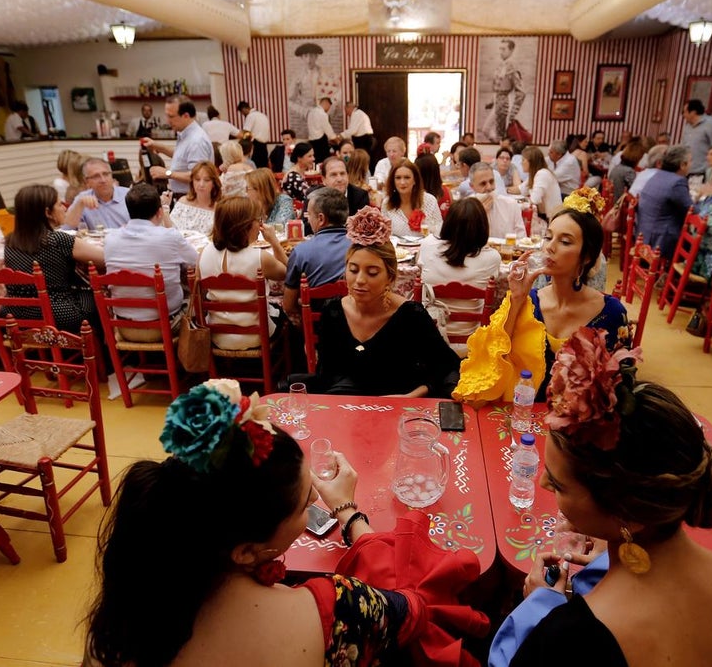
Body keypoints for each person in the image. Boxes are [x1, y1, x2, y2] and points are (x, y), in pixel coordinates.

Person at [86, 378, 486, 667]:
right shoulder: (337, 608)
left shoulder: (124, 616)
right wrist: (348, 512)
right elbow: (414, 603)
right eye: (302, 504)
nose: (315, 499)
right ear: (245, 551)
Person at [500, 329, 712, 667]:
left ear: (627, 513)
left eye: (559, 485)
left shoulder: (572, 639)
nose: (541, 485)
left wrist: (539, 607)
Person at [455, 192, 631, 405]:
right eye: (548, 237)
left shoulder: (611, 313)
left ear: (586, 256)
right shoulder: (528, 301)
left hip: (576, 425)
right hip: (522, 414)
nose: (549, 247)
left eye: (565, 241)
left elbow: (622, 389)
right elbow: (494, 362)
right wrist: (517, 298)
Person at [310, 207, 460, 396]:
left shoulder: (410, 316)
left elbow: (446, 368)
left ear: (390, 277)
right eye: (353, 270)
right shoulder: (333, 311)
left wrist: (410, 397)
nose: (360, 280)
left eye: (372, 272)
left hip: (397, 411)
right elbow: (326, 375)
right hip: (347, 412)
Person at [103, 182, 197, 348]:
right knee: (196, 298)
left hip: (124, 326)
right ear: (160, 212)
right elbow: (196, 263)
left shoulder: (110, 239)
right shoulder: (170, 237)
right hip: (166, 325)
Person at [3, 184, 104, 334]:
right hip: (58, 314)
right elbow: (103, 258)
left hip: (15, 313)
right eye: (59, 204)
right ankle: (98, 349)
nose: (64, 208)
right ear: (48, 212)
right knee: (95, 295)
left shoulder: (10, 241)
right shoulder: (59, 240)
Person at [197, 197, 288, 351]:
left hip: (217, 334)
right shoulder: (259, 257)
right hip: (257, 335)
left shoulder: (203, 253)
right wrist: (274, 242)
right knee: (284, 313)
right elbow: (288, 273)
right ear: (245, 226)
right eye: (257, 220)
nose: (259, 225)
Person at [418, 198, 502, 348]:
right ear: (483, 228)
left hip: (429, 340)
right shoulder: (491, 258)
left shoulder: (427, 245)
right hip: (471, 343)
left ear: (448, 223)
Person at [282, 187, 351, 326]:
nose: (308, 220)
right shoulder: (360, 246)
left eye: (309, 216)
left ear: (320, 219)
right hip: (358, 325)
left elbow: (288, 306)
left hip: (319, 329)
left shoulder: (301, 251)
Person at [144, 96, 215, 198]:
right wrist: (159, 147)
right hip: (185, 196)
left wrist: (167, 173)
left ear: (186, 116)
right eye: (166, 116)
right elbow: (183, 156)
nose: (167, 121)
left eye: (171, 116)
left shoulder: (197, 141)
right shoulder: (186, 134)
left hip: (192, 198)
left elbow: (198, 176)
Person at [635, 145, 693, 260]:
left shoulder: (657, 175)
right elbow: (691, 210)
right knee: (699, 244)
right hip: (660, 242)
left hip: (643, 236)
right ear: (682, 165)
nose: (692, 164)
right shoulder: (677, 182)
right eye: (690, 161)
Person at [64, 157, 131, 230]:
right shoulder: (82, 199)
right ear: (87, 181)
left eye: (105, 174)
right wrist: (80, 205)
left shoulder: (128, 195)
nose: (103, 180)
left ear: (111, 175)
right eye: (96, 176)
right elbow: (67, 228)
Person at [382, 159, 443, 237]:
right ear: (393, 181)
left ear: (415, 180)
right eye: (398, 178)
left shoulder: (429, 200)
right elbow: (385, 235)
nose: (402, 182)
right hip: (397, 249)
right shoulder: (386, 203)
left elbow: (440, 230)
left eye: (407, 177)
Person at [466, 161, 526, 239]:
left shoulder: (511, 204)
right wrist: (479, 215)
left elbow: (522, 239)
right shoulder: (465, 209)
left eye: (491, 182)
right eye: (483, 184)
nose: (489, 187)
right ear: (472, 186)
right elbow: (464, 242)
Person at [483, 39, 525, 142]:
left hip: (505, 103)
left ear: (511, 50)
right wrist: (492, 101)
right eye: (500, 49)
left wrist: (512, 112)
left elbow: (521, 92)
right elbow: (497, 86)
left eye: (504, 49)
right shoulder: (502, 65)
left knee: (499, 133)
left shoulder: (512, 67)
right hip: (498, 101)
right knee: (488, 130)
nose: (501, 51)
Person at [169, 160, 220, 235]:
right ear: (192, 181)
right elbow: (170, 230)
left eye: (207, 180)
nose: (201, 184)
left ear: (214, 183)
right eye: (197, 179)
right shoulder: (183, 202)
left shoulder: (219, 210)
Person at [680, 99, 712, 176]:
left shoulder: (711, 124)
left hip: (703, 171)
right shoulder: (687, 126)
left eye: (684, 112)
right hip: (687, 170)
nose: (683, 115)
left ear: (693, 112)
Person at [523, 145, 562, 223]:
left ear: (531, 162)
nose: (521, 163)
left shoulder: (542, 174)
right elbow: (521, 189)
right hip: (546, 217)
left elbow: (535, 200)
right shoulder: (535, 173)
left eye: (523, 160)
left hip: (552, 219)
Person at [237, 101, 271, 169]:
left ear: (243, 109)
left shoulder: (250, 116)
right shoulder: (262, 115)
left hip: (256, 145)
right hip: (264, 145)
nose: (243, 114)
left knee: (255, 169)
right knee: (263, 168)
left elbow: (246, 133)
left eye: (242, 112)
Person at [307, 98, 338, 163]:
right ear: (327, 104)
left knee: (314, 162)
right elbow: (328, 130)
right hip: (320, 142)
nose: (328, 109)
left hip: (311, 142)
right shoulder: (322, 114)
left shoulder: (311, 112)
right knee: (324, 162)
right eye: (329, 107)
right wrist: (336, 139)